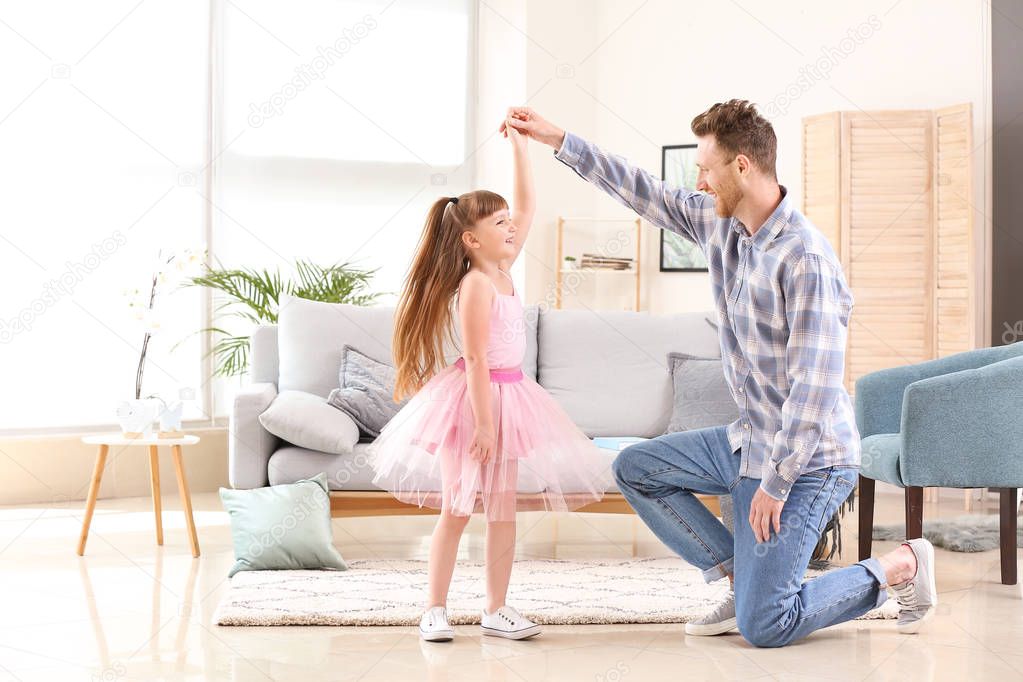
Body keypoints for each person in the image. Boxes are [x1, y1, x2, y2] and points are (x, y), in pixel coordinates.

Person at [500, 100, 937, 647]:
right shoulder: (720, 222)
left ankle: (899, 566)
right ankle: (744, 576)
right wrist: (557, 138)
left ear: (743, 167)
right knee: (636, 467)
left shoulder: (806, 259)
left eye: (706, 169)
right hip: (747, 441)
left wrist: (776, 486)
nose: (698, 181)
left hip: (810, 461)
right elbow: (641, 188)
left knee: (766, 626)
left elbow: (815, 390)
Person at [368, 118, 613, 643]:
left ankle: (495, 608)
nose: (511, 228)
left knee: (502, 511)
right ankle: (433, 608)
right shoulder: (476, 284)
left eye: (508, 223)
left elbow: (526, 204)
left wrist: (523, 148)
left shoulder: (504, 269)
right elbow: (476, 360)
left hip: (513, 395)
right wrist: (483, 424)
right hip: (473, 404)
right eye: (499, 224)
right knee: (458, 506)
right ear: (471, 239)